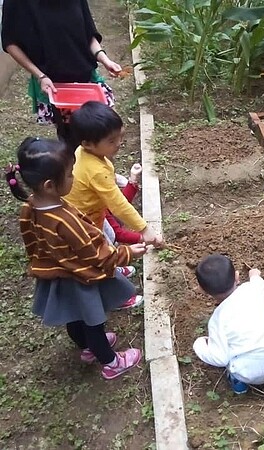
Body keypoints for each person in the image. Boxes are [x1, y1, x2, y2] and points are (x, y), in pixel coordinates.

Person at [6, 137, 146, 379]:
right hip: (80, 277)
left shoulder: (29, 207)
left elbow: (32, 244)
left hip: (57, 274)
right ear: (50, 185)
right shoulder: (64, 220)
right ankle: (111, 361)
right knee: (93, 321)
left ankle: (87, 348)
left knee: (74, 315)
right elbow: (94, 254)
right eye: (70, 174)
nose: (73, 178)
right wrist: (125, 253)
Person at [1, 0, 122, 147]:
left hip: (85, 80)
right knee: (73, 138)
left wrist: (105, 59)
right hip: (54, 86)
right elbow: (10, 43)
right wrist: (40, 76)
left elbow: (89, 33)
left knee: (101, 134)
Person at [63, 101, 163, 260]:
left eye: (120, 136)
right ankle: (111, 267)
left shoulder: (83, 152)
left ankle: (114, 259)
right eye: (111, 141)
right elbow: (118, 205)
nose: (119, 143)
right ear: (87, 144)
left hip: (93, 213)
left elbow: (90, 177)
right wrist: (144, 230)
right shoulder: (96, 171)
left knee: (108, 237)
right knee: (98, 251)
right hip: (85, 221)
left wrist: (115, 178)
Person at [193, 255, 264, 395]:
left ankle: (239, 385)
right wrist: (254, 274)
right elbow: (260, 283)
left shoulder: (217, 319)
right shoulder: (251, 289)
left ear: (202, 290)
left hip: (247, 373)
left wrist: (199, 344)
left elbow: (220, 358)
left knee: (228, 349)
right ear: (237, 277)